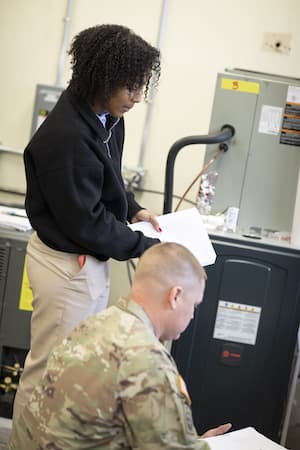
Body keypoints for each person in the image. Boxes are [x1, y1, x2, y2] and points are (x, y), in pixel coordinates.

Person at [13, 24, 162, 421]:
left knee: (71, 372)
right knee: (49, 373)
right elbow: (89, 223)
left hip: (85, 263)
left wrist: (133, 210)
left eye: (141, 86)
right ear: (103, 77)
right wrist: (146, 246)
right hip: (66, 269)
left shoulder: (105, 118)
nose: (137, 98)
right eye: (130, 87)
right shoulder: (67, 137)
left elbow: (105, 179)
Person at [8, 242, 231, 449]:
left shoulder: (93, 324)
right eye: (194, 305)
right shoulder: (148, 360)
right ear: (175, 296)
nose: (192, 315)